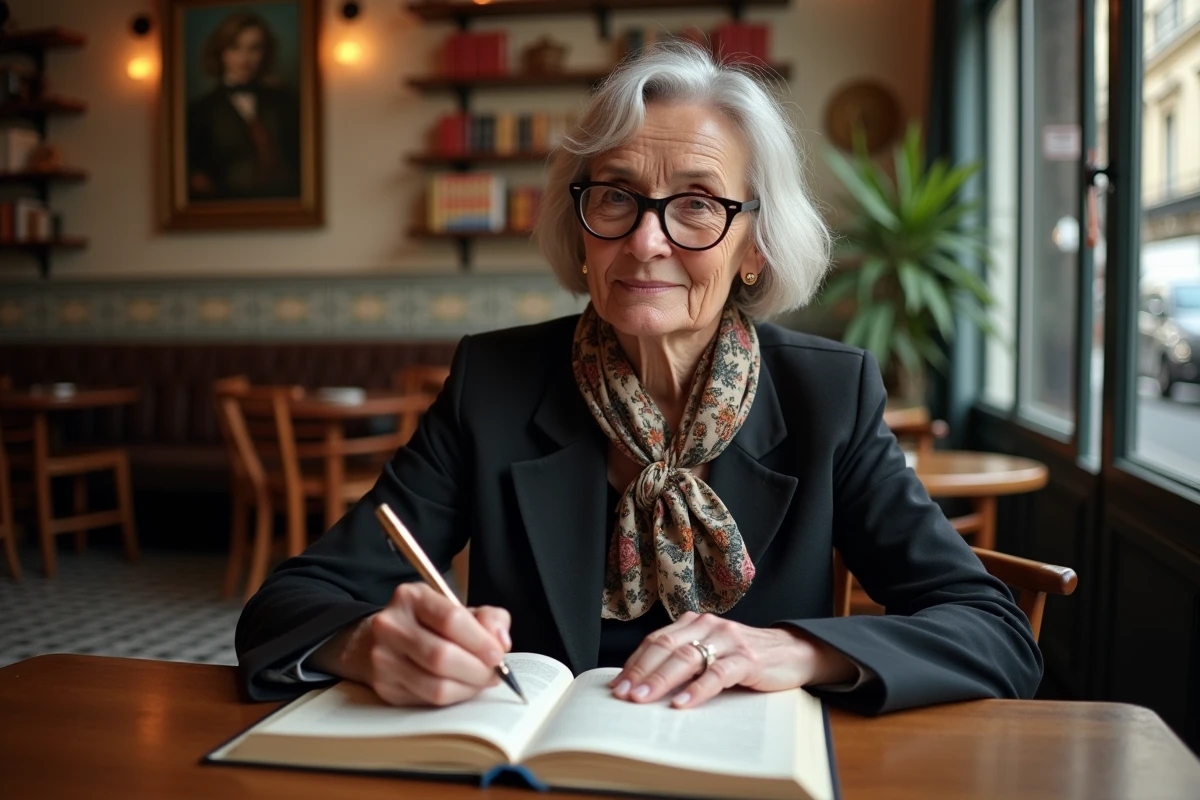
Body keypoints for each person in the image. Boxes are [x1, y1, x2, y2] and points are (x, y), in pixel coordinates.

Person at [236, 43, 1041, 715]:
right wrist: (368, 643)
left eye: (697, 205)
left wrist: (796, 649)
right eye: (617, 197)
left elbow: (993, 633)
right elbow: (286, 607)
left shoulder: (828, 396)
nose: (647, 240)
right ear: (581, 228)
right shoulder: (497, 383)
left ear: (753, 246)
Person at [186, 12, 300, 201]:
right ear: (221, 52)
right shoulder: (201, 111)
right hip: (225, 212)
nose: (245, 57)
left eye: (254, 48)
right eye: (235, 47)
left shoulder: (284, 102)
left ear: (265, 53)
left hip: (283, 207)